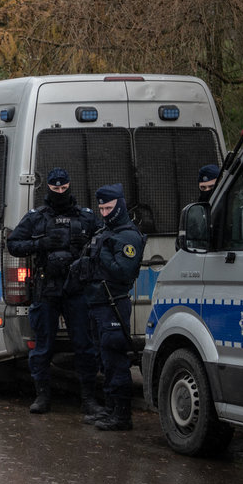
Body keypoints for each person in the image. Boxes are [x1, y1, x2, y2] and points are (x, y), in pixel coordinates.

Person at [7, 168, 102, 415]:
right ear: (48, 188)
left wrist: (89, 249)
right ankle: (42, 397)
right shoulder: (37, 217)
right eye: (55, 188)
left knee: (84, 345)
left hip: (77, 288)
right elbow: (13, 244)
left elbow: (105, 240)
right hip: (47, 287)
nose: (60, 192)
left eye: (63, 188)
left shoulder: (86, 217)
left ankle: (89, 399)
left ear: (70, 186)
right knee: (43, 346)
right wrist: (40, 244)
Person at [69, 183, 146, 431]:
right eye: (101, 208)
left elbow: (123, 272)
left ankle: (122, 416)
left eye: (109, 208)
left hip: (113, 303)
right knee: (104, 360)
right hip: (96, 303)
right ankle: (111, 410)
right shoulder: (105, 232)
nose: (104, 212)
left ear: (120, 206)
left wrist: (100, 253)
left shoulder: (127, 236)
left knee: (115, 360)